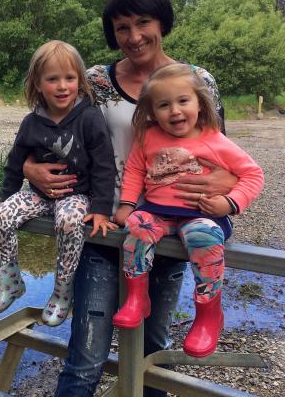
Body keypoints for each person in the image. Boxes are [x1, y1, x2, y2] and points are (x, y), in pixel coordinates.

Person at [23, 0, 238, 397]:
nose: (134, 36)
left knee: (154, 353)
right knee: (85, 356)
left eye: (143, 22)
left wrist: (218, 192)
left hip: (172, 232)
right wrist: (31, 169)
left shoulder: (196, 81)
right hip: (104, 232)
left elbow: (222, 154)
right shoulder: (93, 82)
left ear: (163, 22)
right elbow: (42, 135)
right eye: (122, 27)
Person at [112, 63, 264, 358]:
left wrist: (230, 203)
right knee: (136, 226)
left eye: (183, 101)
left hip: (200, 214)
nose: (175, 111)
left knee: (203, 238)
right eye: (164, 105)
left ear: (199, 102)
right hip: (156, 210)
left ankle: (208, 315)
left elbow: (254, 175)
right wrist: (128, 205)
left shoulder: (213, 138)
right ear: (151, 111)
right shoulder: (148, 137)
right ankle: (136, 297)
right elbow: (133, 171)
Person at [0, 40, 117, 327]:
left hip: (76, 194)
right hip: (38, 194)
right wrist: (5, 199)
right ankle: (9, 281)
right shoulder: (32, 122)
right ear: (37, 83)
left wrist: (102, 208)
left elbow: (105, 165)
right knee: (2, 216)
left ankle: (62, 290)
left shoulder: (90, 118)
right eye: (53, 79)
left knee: (70, 223)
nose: (62, 86)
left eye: (69, 78)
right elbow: (14, 162)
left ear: (79, 81)